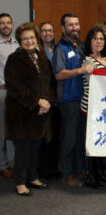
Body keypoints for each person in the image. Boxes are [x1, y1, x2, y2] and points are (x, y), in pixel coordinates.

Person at [5, 22, 55, 196]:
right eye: (25, 38)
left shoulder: (41, 57)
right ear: (20, 40)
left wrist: (46, 102)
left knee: (36, 148)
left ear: (36, 38)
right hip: (21, 112)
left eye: (32, 37)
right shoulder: (14, 59)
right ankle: (20, 182)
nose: (29, 41)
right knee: (23, 150)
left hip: (40, 113)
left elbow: (48, 83)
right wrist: (37, 101)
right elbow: (15, 87)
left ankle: (32, 177)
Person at [52, 13, 93, 188]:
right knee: (69, 137)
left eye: (76, 24)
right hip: (68, 99)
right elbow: (59, 74)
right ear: (63, 28)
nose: (74, 27)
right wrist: (80, 70)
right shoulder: (60, 48)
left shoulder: (82, 46)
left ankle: (79, 169)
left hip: (82, 99)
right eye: (70, 25)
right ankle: (66, 173)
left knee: (79, 137)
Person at [80, 27, 106, 189]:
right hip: (90, 108)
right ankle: (92, 176)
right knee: (91, 143)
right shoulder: (88, 60)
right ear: (90, 42)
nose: (99, 42)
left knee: (100, 141)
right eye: (95, 39)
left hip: (103, 108)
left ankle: (100, 173)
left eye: (101, 39)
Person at [37, 21, 61, 179]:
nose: (47, 33)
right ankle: (42, 170)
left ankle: (53, 168)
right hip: (44, 99)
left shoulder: (57, 49)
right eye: (44, 31)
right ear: (40, 34)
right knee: (43, 136)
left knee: (56, 135)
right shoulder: (38, 51)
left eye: (50, 30)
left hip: (58, 98)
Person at [0, 13, 18, 179]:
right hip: (3, 91)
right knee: (2, 131)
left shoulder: (17, 44)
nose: (5, 25)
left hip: (18, 93)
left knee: (16, 129)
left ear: (12, 25)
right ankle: (3, 165)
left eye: (8, 23)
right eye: (2, 23)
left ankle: (14, 162)